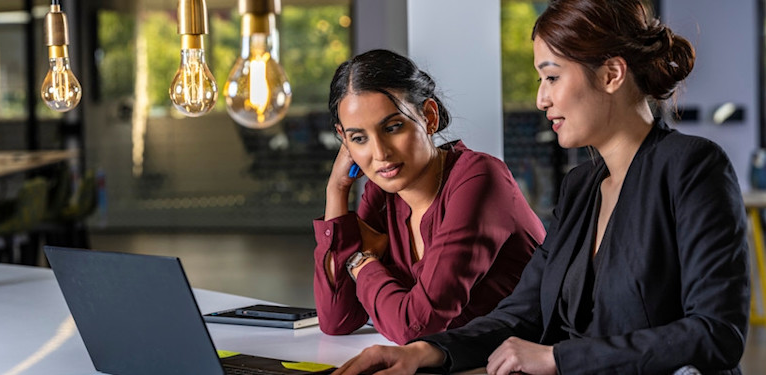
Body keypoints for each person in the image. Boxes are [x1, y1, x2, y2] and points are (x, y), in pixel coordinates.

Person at [332, 0, 750, 374]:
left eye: (551, 77)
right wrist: (427, 352)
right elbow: (520, 313)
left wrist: (557, 358)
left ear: (611, 74)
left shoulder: (692, 166)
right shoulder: (582, 187)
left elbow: (716, 334)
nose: (541, 99)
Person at [313, 49, 546, 345]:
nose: (381, 153)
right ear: (344, 140)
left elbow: (416, 327)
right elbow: (337, 319)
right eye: (359, 138)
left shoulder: (479, 179)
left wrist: (362, 263)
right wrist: (336, 189)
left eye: (393, 127)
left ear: (429, 117)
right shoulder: (384, 193)